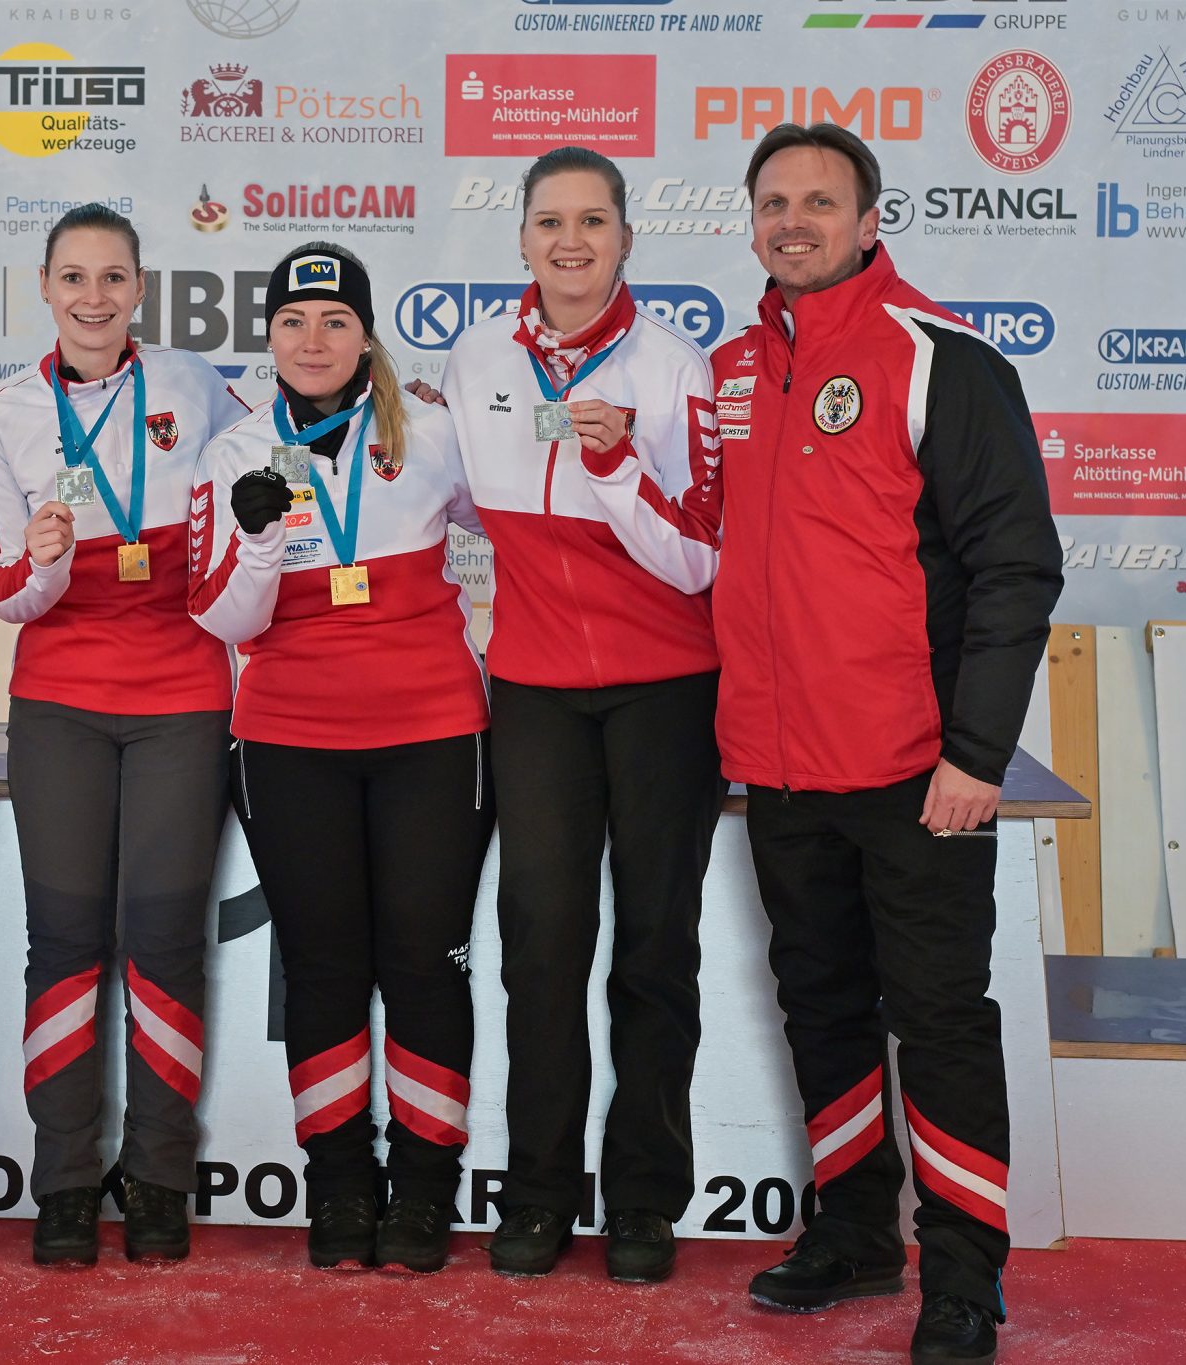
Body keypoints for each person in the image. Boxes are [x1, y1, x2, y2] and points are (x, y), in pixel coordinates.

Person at [712, 123, 1061, 1365]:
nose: (791, 220)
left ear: (868, 220)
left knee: (940, 1020)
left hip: (918, 773)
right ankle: (855, 1233)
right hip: (780, 770)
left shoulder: (940, 361)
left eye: (818, 200)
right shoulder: (735, 368)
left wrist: (974, 754)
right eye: (772, 202)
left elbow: (1015, 567)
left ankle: (963, 1279)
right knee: (819, 1010)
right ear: (750, 221)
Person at [438, 146, 726, 1282]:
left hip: (664, 689)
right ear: (518, 238)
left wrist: (616, 468)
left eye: (592, 222)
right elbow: (451, 496)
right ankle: (540, 1191)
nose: (570, 242)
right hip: (536, 691)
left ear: (623, 240)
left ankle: (645, 1202)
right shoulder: (475, 359)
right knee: (539, 953)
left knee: (654, 949)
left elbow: (698, 558)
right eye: (549, 221)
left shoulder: (673, 366)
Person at [190, 242, 492, 1274]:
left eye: (332, 322)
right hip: (289, 743)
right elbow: (226, 619)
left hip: (430, 737)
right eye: (291, 323)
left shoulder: (432, 433)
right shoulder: (234, 453)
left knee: (426, 961)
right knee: (321, 968)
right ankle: (338, 1189)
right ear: (267, 337)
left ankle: (419, 1193)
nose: (311, 341)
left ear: (364, 335)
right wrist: (262, 546)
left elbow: (512, 524)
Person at [0, 204, 246, 1267]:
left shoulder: (194, 386)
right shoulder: (0, 417)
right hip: (60, 708)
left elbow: (279, 462)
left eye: (112, 278)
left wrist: (395, 408)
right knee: (66, 946)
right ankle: (66, 1183)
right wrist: (39, 559)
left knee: (166, 944)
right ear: (43, 287)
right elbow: (0, 593)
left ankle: (162, 1178)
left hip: (181, 699)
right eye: (72, 278)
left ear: (138, 289)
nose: (93, 298)